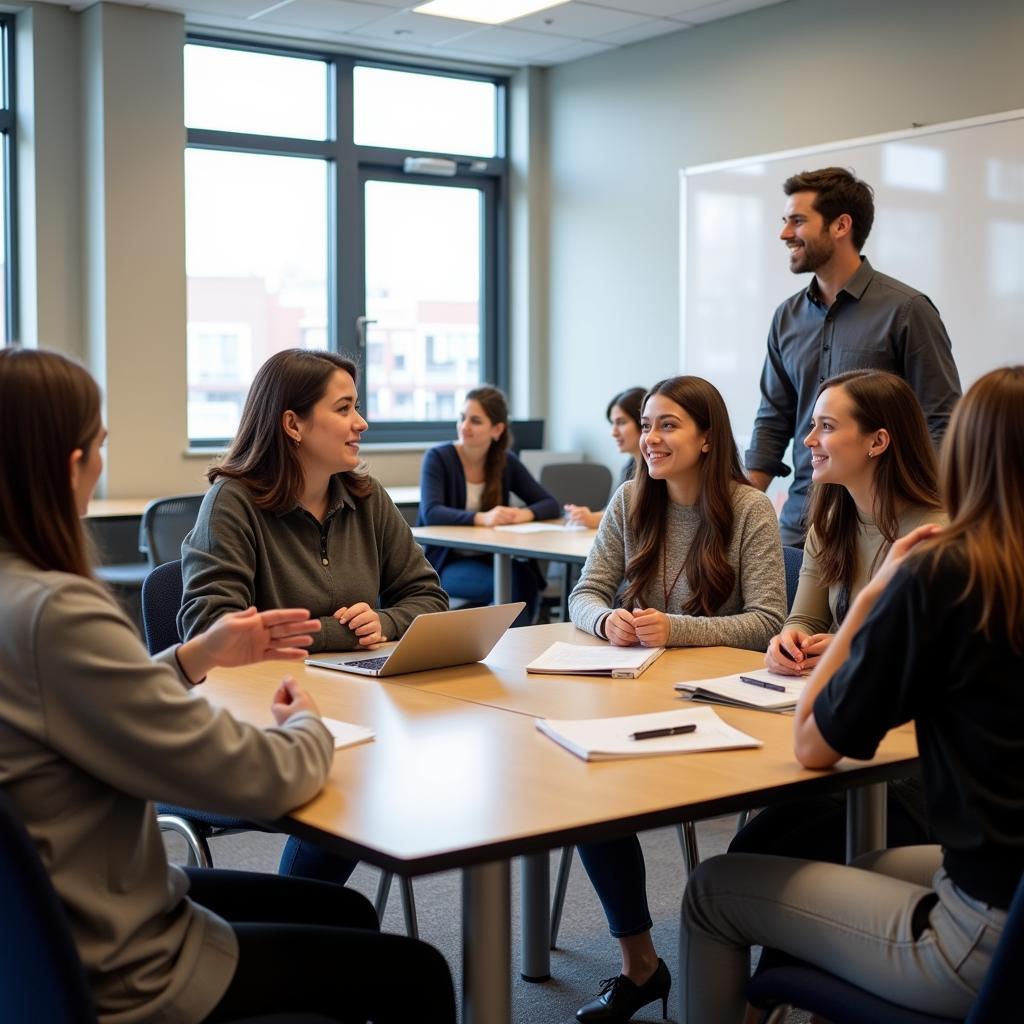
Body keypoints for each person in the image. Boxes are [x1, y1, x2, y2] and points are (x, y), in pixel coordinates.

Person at [0, 347, 456, 1024]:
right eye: (100, 446)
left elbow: (96, 702)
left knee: (346, 912)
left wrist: (184, 661)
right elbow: (252, 778)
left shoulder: (20, 598)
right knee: (417, 973)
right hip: (127, 959)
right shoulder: (58, 611)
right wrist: (308, 727)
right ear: (74, 465)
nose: (360, 422)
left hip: (49, 930)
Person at [680, 365, 1024, 1024]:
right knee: (860, 862)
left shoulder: (939, 568)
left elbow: (812, 746)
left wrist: (871, 596)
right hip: (1003, 885)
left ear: (972, 455)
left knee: (711, 890)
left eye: (825, 425)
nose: (810, 439)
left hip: (981, 935)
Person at [180, 348, 447, 887]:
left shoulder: (367, 498)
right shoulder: (232, 501)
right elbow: (211, 627)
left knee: (393, 764)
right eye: (345, 408)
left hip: (353, 705)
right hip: (260, 712)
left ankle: (302, 919)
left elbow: (428, 597)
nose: (362, 423)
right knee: (349, 778)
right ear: (293, 424)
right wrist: (341, 631)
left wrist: (386, 623)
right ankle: (298, 919)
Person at [567, 375, 787, 1023]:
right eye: (647, 424)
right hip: (642, 700)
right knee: (584, 791)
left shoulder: (748, 510)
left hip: (729, 708)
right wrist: (606, 622)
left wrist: (676, 628)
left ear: (707, 438)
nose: (651, 439)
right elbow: (586, 592)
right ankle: (641, 965)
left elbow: (770, 621)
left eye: (668, 425)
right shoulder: (631, 497)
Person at [732, 369, 946, 861]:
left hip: (908, 764)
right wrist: (788, 641)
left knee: (766, 855)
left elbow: (919, 666)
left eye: (826, 427)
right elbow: (803, 620)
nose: (808, 440)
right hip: (846, 731)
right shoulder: (831, 520)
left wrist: (848, 643)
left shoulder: (935, 535)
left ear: (878, 441)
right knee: (753, 847)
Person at [745, 166, 961, 547]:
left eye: (797, 221)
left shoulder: (907, 310)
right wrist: (740, 506)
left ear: (841, 225)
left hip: (886, 522)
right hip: (802, 519)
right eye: (784, 221)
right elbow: (773, 417)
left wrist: (930, 517)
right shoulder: (786, 317)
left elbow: (940, 422)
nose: (784, 233)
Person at [417, 385, 560, 627]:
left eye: (475, 421)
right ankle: (509, 647)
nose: (464, 426)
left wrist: (521, 514)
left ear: (497, 429)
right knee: (514, 582)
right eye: (462, 418)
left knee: (527, 577)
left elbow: (550, 504)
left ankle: (518, 645)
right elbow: (431, 513)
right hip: (444, 563)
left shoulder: (505, 462)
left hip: (489, 559)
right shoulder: (439, 457)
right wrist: (484, 518)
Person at [564, 386, 646, 529]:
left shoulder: (659, 472)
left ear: (643, 423)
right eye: (612, 423)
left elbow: (640, 517)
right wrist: (588, 516)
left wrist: (596, 519)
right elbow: (614, 510)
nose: (613, 432)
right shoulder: (629, 466)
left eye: (621, 422)